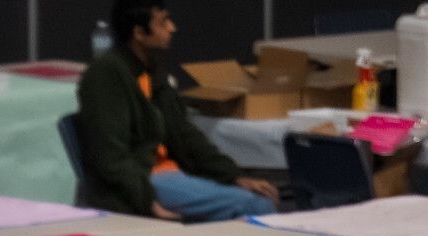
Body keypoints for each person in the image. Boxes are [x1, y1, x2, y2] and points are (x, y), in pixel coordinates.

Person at [76, 1, 280, 222]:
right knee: (256, 206)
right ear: (139, 33)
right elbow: (111, 157)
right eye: (163, 22)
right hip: (145, 180)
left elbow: (185, 135)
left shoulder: (151, 72)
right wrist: (146, 200)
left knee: (258, 198)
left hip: (170, 174)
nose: (172, 28)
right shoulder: (106, 75)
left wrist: (234, 177)